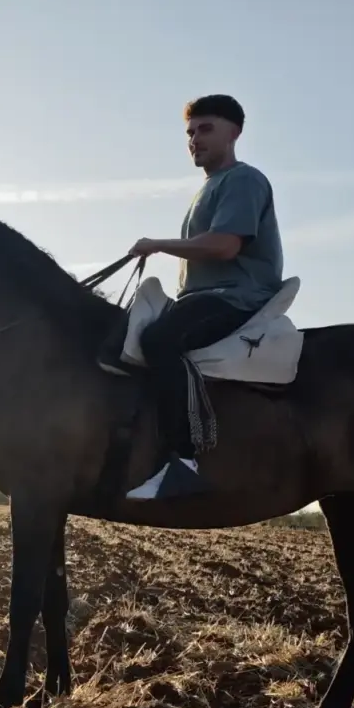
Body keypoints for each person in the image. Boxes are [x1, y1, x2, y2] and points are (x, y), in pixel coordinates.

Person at [99, 93, 284, 502]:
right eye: (190, 132)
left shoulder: (243, 180)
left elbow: (224, 246)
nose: (194, 139)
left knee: (158, 340)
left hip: (237, 296)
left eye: (205, 129)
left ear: (234, 133)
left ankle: (183, 462)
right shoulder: (209, 188)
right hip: (203, 296)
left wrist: (157, 245)